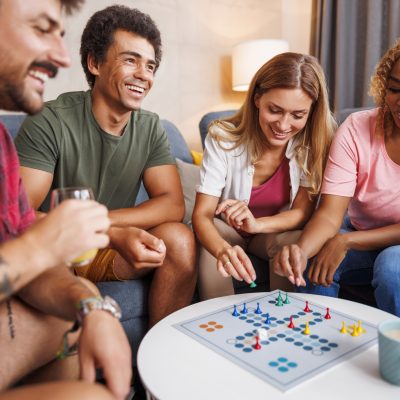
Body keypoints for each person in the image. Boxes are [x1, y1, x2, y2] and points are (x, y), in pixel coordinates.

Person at [15, 5, 197, 328]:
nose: (144, 74)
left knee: (179, 240)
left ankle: (159, 364)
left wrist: (106, 227)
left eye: (150, 65)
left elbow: (172, 204)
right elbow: (18, 217)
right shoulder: (49, 120)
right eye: (131, 60)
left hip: (107, 248)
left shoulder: (151, 127)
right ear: (95, 63)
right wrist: (108, 231)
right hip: (54, 248)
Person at [0, 1, 131, 399]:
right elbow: (30, 252)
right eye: (42, 29)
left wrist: (93, 307)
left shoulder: (3, 144)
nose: (62, 56)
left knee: (84, 363)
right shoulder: (52, 121)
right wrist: (42, 245)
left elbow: (28, 261)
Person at [192, 52, 337, 300]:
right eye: (275, 110)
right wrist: (223, 250)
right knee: (209, 239)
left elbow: (302, 213)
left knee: (292, 241)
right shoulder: (221, 137)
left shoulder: (313, 146)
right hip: (228, 229)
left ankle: (283, 321)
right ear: (257, 98)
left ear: (311, 112)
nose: (283, 125)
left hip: (269, 232)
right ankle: (217, 324)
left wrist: (258, 225)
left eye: (297, 115)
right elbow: (202, 215)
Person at [273, 40, 400, 317]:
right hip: (362, 232)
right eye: (394, 89)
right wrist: (301, 251)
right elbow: (330, 215)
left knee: (391, 266)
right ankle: (317, 348)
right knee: (315, 259)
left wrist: (346, 241)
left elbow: (343, 237)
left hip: (379, 244)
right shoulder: (357, 128)